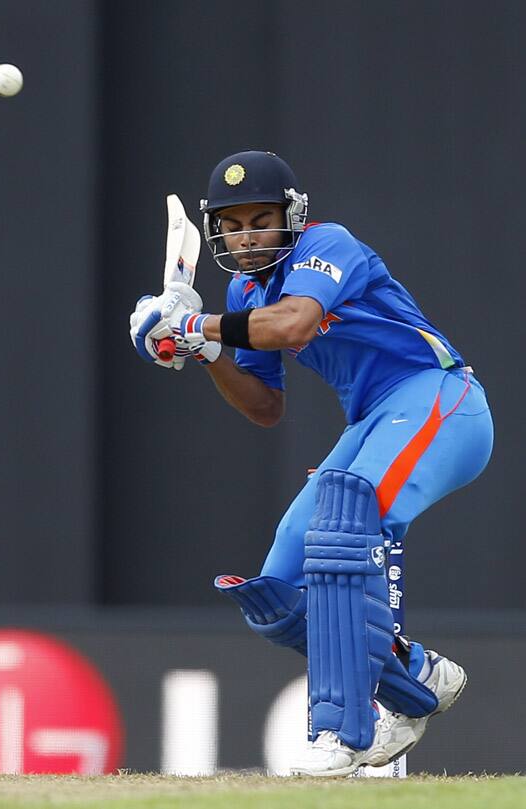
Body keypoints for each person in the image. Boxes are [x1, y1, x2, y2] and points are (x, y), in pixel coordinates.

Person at [129, 150, 494, 776]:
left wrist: (195, 322)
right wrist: (202, 349)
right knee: (280, 589)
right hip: (372, 422)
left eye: (259, 219)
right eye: (232, 223)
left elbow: (295, 325)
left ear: (292, 216)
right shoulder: (246, 290)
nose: (246, 236)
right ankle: (416, 678)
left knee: (344, 524)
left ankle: (341, 734)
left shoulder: (328, 245)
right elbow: (265, 406)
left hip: (438, 397)